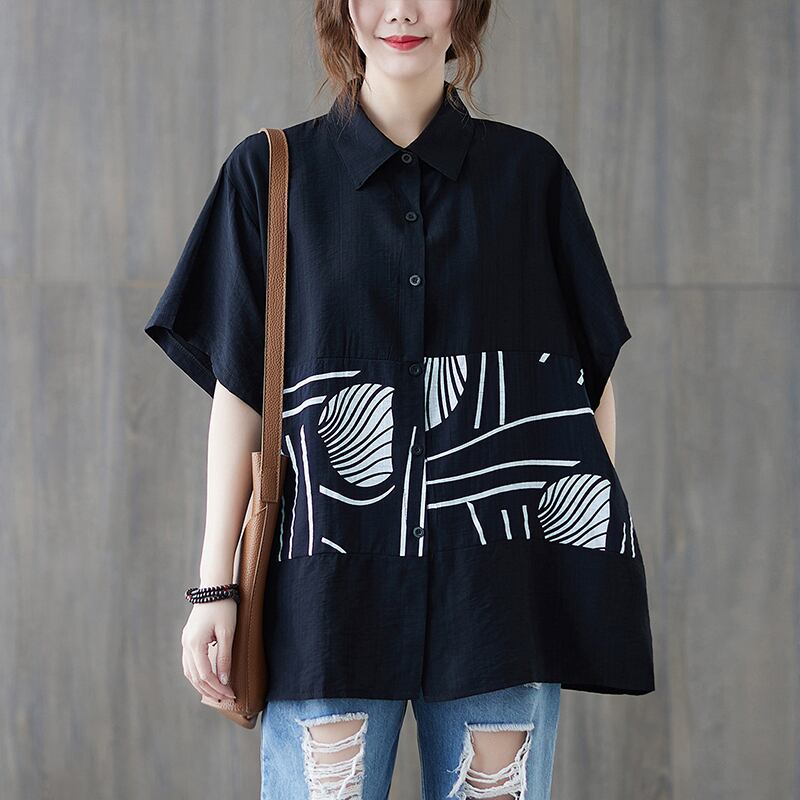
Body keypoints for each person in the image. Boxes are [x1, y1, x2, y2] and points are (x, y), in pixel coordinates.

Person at [144, 0, 655, 797]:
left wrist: (562, 558)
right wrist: (217, 586)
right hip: (324, 594)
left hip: (498, 596)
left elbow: (584, 387)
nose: (403, 11)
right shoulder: (270, 174)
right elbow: (241, 396)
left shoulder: (529, 176)